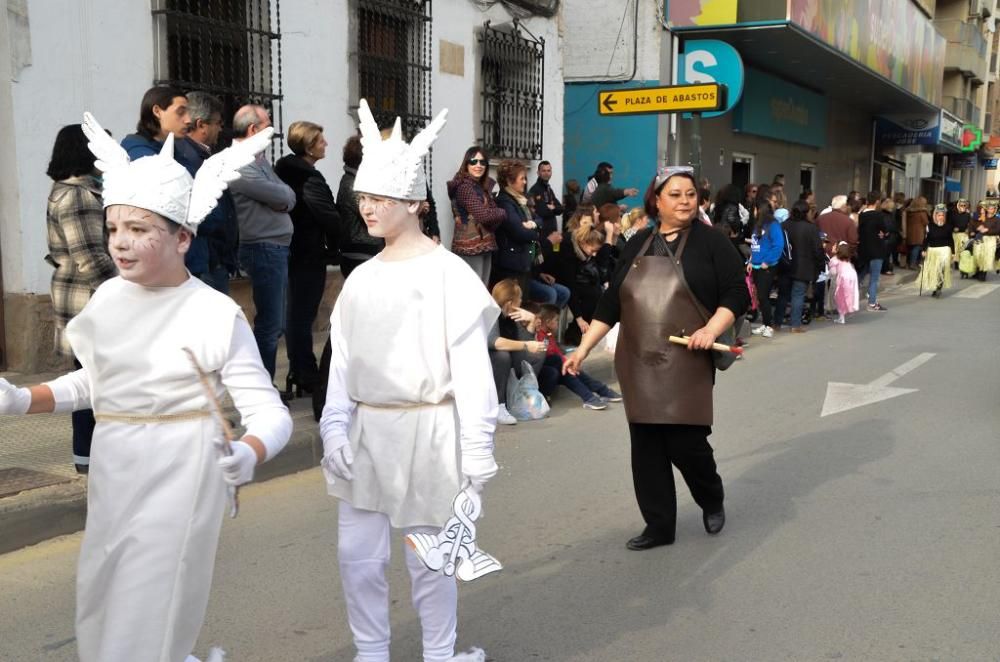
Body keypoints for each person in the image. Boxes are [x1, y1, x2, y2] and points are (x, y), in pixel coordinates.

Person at [1, 114, 291, 662]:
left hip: (182, 468)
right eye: (114, 229)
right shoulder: (110, 298)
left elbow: (269, 413)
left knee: (156, 603)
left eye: (139, 230)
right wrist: (23, 400)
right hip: (115, 465)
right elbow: (98, 381)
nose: (120, 244)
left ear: (183, 238)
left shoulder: (214, 312)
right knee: (102, 597)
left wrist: (248, 452)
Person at [319, 100, 496, 662]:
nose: (367, 209)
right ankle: (372, 652)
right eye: (363, 199)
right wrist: (334, 430)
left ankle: (439, 655)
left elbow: (471, 370)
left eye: (380, 200)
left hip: (429, 431)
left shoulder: (449, 276)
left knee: (430, 558)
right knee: (359, 558)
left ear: (415, 203)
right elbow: (341, 365)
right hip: (369, 431)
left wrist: (477, 451)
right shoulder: (361, 279)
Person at [564, 165, 748, 551]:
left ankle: (711, 497)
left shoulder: (713, 243)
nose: (685, 201)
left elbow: (736, 294)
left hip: (688, 357)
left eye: (691, 194)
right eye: (676, 194)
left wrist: (710, 331)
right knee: (646, 448)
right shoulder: (637, 243)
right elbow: (611, 302)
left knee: (687, 444)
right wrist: (582, 350)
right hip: (639, 360)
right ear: (656, 201)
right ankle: (659, 525)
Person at [44, 124, 118, 474]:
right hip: (90, 303)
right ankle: (92, 463)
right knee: (95, 387)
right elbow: (91, 257)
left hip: (81, 300)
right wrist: (128, 295)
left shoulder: (72, 191)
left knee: (92, 385)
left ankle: (90, 461)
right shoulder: (78, 195)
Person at [228, 104, 297, 380]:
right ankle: (262, 387)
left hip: (274, 247)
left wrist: (284, 198)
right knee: (269, 325)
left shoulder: (259, 159)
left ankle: (264, 383)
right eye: (268, 125)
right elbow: (283, 198)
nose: (273, 131)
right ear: (253, 129)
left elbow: (287, 196)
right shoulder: (240, 162)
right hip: (262, 248)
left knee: (275, 324)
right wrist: (284, 198)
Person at [274, 120, 341, 397]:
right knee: (302, 316)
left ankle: (300, 369)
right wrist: (340, 240)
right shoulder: (308, 179)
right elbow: (328, 217)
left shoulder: (294, 172)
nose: (326, 144)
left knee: (298, 315)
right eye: (321, 140)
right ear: (309, 146)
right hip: (306, 253)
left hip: (299, 250)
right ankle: (304, 371)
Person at [184, 91, 239, 294]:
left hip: (215, 258)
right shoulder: (188, 158)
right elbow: (207, 215)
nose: (220, 128)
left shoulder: (202, 156)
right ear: (201, 125)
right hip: (206, 258)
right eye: (217, 122)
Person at [488, 279, 552, 424]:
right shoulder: (492, 313)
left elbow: (527, 341)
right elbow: (495, 342)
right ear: (510, 303)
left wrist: (531, 321)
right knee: (502, 356)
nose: (521, 302)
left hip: (509, 361)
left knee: (539, 352)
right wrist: (526, 345)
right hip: (489, 361)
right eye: (520, 299)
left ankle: (522, 394)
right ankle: (500, 405)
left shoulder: (511, 315)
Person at [534, 304, 620, 410]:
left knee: (567, 367)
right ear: (548, 322)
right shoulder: (538, 335)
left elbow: (558, 354)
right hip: (542, 373)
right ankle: (595, 394)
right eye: (556, 320)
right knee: (559, 364)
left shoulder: (548, 334)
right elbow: (546, 356)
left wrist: (569, 364)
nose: (557, 323)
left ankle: (594, 395)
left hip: (554, 368)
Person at [544, 225, 611, 347]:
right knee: (583, 294)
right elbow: (569, 283)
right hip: (551, 275)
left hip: (563, 276)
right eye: (593, 250)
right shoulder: (567, 249)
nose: (594, 255)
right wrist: (579, 318)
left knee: (595, 293)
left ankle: (580, 331)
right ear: (584, 243)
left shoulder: (580, 249)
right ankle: (572, 332)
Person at [448, 146, 506, 285]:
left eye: (482, 162)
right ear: (466, 164)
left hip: (485, 244)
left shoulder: (481, 187)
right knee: (474, 292)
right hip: (469, 249)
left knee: (483, 290)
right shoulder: (464, 187)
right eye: (473, 162)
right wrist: (503, 212)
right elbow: (484, 216)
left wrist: (495, 213)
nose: (478, 165)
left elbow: (490, 213)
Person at [774, 200, 825, 332]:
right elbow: (818, 250)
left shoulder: (783, 225)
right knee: (798, 295)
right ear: (806, 212)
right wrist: (820, 265)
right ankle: (795, 325)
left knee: (783, 295)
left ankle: (777, 323)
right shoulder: (811, 228)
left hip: (784, 265)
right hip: (804, 267)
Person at [337, 135, 384, 277]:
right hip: (359, 253)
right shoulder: (353, 185)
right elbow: (373, 213)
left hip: (366, 251)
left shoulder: (359, 181)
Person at [492, 159, 540, 291]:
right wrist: (535, 232)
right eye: (522, 178)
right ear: (509, 180)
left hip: (522, 260)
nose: (525, 182)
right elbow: (519, 232)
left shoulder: (520, 200)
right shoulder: (504, 202)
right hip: (512, 264)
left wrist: (533, 224)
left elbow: (539, 219)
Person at [120, 86, 195, 168]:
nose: (188, 120)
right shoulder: (137, 152)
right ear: (157, 111)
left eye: (188, 113)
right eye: (180, 112)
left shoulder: (174, 149)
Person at [748, 202, 785, 338]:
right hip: (756, 265)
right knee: (760, 297)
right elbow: (755, 244)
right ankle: (765, 324)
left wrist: (767, 261)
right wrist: (751, 261)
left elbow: (778, 245)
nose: (754, 212)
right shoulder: (758, 225)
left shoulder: (773, 225)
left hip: (766, 267)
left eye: (755, 208)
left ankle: (768, 325)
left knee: (764, 296)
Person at [857, 191, 889, 311]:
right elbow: (884, 231)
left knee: (861, 274)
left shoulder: (862, 215)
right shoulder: (879, 215)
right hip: (876, 249)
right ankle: (872, 303)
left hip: (864, 249)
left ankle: (850, 297)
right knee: (874, 278)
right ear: (877, 201)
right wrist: (883, 235)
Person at [920, 204, 954, 298]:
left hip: (944, 251)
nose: (941, 217)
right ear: (935, 216)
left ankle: (939, 288)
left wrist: (953, 253)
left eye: (942, 215)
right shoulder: (929, 226)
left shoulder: (948, 226)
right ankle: (934, 288)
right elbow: (926, 239)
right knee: (934, 271)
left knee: (941, 270)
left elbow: (951, 240)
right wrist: (924, 249)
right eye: (939, 215)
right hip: (933, 251)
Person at [967, 198, 1000, 281]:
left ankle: (983, 274)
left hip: (990, 240)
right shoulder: (983, 217)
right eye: (988, 208)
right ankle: (978, 271)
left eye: (992, 208)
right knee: (977, 255)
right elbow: (974, 224)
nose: (990, 210)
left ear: (995, 209)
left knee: (986, 257)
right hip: (980, 239)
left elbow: (998, 230)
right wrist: (975, 229)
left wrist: (987, 230)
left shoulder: (997, 219)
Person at [528, 160, 564, 234]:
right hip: (541, 233)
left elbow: (561, 208)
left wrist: (553, 208)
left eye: (548, 170)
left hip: (552, 231)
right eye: (543, 171)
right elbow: (542, 212)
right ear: (538, 173)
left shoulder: (548, 189)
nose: (546, 173)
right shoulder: (535, 190)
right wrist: (553, 209)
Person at [828, 242, 859, 323]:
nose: (833, 247)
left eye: (835, 246)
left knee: (839, 296)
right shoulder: (846, 260)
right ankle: (846, 312)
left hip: (843, 278)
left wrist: (829, 273)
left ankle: (842, 316)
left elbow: (833, 272)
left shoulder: (834, 260)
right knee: (848, 295)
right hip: (852, 277)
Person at [904, 196, 930, 269]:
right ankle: (913, 264)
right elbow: (926, 222)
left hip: (910, 232)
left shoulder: (908, 212)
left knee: (910, 248)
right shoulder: (922, 212)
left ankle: (908, 263)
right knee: (917, 248)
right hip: (919, 233)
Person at [949, 198, 971, 269]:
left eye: (964, 205)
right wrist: (953, 228)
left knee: (963, 249)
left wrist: (968, 229)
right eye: (961, 205)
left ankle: (962, 263)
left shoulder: (968, 215)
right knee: (955, 249)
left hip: (964, 235)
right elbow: (949, 224)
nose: (963, 207)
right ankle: (956, 264)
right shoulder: (953, 215)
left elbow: (970, 224)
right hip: (955, 235)